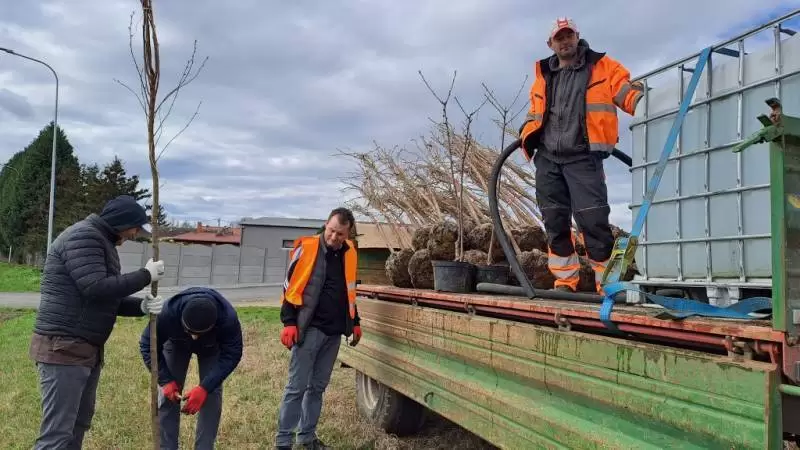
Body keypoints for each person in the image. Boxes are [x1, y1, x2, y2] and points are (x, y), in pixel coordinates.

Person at [29, 194, 166, 449]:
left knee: (78, 424)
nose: (135, 234)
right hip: (63, 348)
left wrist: (141, 306)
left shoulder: (102, 241)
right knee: (57, 434)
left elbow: (105, 298)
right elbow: (95, 287)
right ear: (122, 222)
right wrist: (145, 275)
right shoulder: (84, 237)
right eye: (135, 227)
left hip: (81, 350)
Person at [518, 17, 644, 294]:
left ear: (577, 37)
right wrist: (526, 131)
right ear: (550, 44)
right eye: (559, 38)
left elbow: (627, 93)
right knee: (554, 221)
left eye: (569, 35)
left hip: (583, 157)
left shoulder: (603, 66)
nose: (565, 41)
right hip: (548, 159)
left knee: (593, 220)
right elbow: (535, 112)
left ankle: (608, 285)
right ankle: (565, 281)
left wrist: (650, 102)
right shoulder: (543, 75)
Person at [274, 207, 363, 450]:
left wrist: (355, 322)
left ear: (347, 234)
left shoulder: (349, 253)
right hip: (310, 329)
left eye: (340, 234)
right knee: (296, 388)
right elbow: (289, 286)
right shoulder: (308, 248)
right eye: (331, 230)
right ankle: (283, 442)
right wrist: (289, 322)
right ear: (326, 224)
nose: (334, 237)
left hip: (334, 333)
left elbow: (350, 291)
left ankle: (307, 437)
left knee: (317, 388)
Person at [139, 286, 243, 450]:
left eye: (199, 333)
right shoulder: (168, 313)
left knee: (211, 394)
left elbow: (233, 353)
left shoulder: (227, 317)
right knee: (168, 395)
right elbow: (147, 345)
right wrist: (165, 380)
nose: (194, 337)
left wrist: (205, 387)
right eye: (190, 331)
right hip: (176, 343)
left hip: (211, 347)